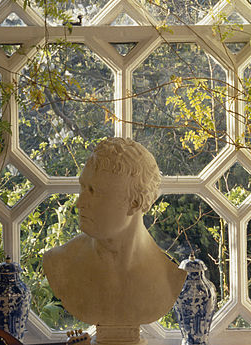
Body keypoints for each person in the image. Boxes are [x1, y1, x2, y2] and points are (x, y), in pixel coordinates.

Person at [43, 137, 184, 328]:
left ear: (134, 203)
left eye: (94, 191)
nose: (79, 202)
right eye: (83, 187)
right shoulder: (60, 263)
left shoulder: (170, 279)